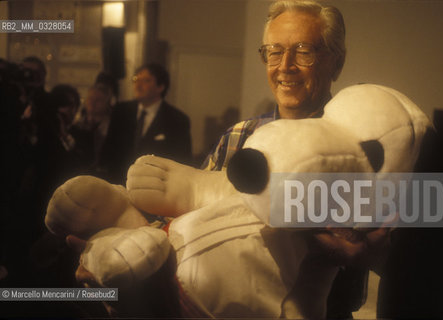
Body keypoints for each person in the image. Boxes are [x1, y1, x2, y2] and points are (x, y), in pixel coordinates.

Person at [202, 1, 370, 317]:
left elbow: (402, 257)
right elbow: (191, 205)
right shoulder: (240, 137)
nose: (285, 66)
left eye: (304, 51)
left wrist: (364, 249)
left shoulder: (360, 151)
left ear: (337, 63)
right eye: (274, 51)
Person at [99, 63, 192, 184]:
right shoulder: (121, 111)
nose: (138, 85)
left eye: (146, 80)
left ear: (160, 87)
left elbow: (182, 160)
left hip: (155, 186)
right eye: (136, 79)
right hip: (118, 183)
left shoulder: (177, 120)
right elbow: (108, 150)